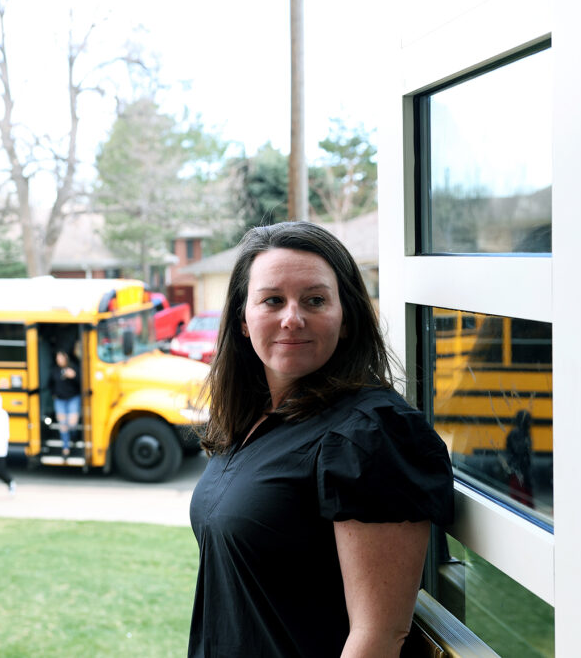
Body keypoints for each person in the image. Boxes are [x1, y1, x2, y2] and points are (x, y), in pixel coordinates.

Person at [188, 221, 455, 657]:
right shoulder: (255, 419)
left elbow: (377, 637)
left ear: (346, 318)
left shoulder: (372, 434)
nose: (292, 318)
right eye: (272, 300)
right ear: (242, 319)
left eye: (315, 300)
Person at [50, 350, 81, 456]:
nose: (59, 360)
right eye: (57, 359)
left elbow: (82, 383)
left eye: (61, 358)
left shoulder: (74, 368)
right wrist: (53, 394)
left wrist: (74, 376)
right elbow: (51, 384)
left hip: (73, 398)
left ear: (66, 358)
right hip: (60, 400)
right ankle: (66, 447)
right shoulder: (55, 370)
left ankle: (74, 436)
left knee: (72, 423)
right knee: (63, 424)